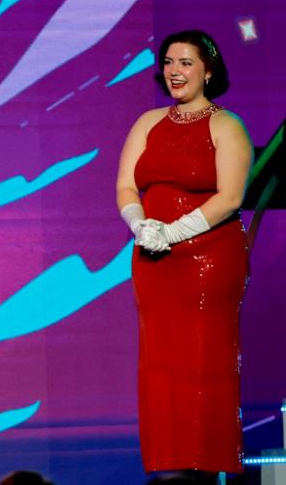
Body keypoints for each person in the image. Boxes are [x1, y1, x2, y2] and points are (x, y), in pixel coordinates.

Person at [115, 29, 252, 476]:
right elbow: (126, 185)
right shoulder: (147, 122)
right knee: (159, 359)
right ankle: (166, 464)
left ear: (208, 70)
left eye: (186, 62)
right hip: (153, 262)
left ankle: (203, 465)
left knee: (201, 356)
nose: (175, 71)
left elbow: (231, 197)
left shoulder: (227, 125)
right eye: (169, 62)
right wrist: (140, 225)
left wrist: (173, 232)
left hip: (208, 259)